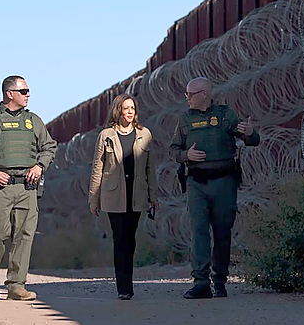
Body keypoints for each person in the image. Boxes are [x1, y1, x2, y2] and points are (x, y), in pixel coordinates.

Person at [0, 75, 57, 301]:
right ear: (10, 94)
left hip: (27, 187)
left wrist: (40, 165)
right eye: (24, 91)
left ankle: (16, 285)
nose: (28, 95)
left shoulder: (33, 121)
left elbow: (49, 147)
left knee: (24, 236)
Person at [169, 77, 260, 299]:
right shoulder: (185, 120)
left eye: (190, 94)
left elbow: (252, 140)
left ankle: (220, 281)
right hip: (196, 183)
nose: (187, 98)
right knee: (199, 231)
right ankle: (201, 282)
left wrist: (249, 133)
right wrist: (186, 155)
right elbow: (173, 150)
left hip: (224, 181)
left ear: (204, 94)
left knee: (222, 232)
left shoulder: (225, 115)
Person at [88, 94, 157, 300]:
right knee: (120, 240)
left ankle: (128, 281)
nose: (130, 111)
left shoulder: (144, 134)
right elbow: (97, 168)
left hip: (137, 194)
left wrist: (153, 196)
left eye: (132, 108)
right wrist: (94, 199)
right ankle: (124, 288)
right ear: (118, 110)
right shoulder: (106, 135)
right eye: (126, 108)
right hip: (113, 195)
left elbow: (150, 168)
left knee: (131, 239)